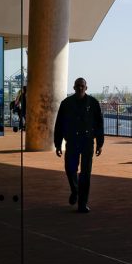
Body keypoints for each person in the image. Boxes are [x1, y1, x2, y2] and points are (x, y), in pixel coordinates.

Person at [54, 77, 104, 213]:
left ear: (86, 88)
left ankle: (82, 203)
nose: (80, 88)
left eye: (82, 86)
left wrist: (100, 143)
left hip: (87, 141)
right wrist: (58, 144)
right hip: (72, 141)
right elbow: (59, 125)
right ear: (74, 88)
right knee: (70, 169)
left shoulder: (93, 103)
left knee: (85, 173)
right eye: (78, 86)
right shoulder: (66, 103)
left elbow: (99, 124)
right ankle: (75, 190)